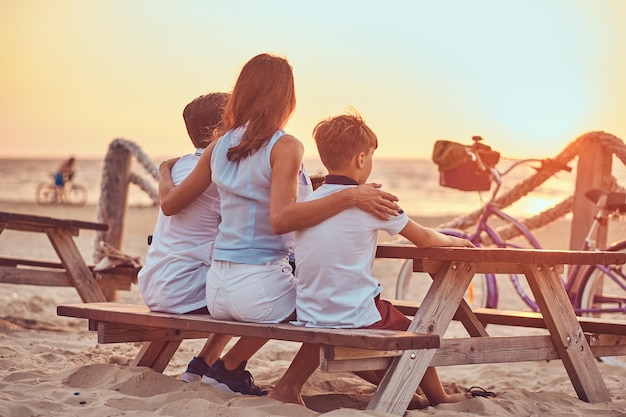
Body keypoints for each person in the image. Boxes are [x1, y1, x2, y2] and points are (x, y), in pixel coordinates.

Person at [158, 53, 401, 395]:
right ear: (286, 98)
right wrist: (350, 196)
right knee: (334, 307)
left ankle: (221, 367)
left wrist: (162, 172)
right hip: (257, 289)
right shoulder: (285, 145)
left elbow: (170, 204)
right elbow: (281, 218)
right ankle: (249, 375)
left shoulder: (218, 145)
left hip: (218, 290)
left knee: (324, 303)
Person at [267, 112, 475, 408]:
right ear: (362, 159)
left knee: (340, 331)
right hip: (351, 312)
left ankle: (292, 386)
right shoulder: (373, 202)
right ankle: (437, 397)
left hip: (311, 307)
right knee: (414, 330)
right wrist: (456, 241)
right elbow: (425, 239)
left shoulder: (310, 203)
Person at [137, 92, 236, 385]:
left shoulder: (179, 165)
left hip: (155, 284)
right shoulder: (221, 170)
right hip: (183, 288)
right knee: (256, 286)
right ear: (226, 125)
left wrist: (162, 170)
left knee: (238, 280)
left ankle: (201, 366)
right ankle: (226, 369)